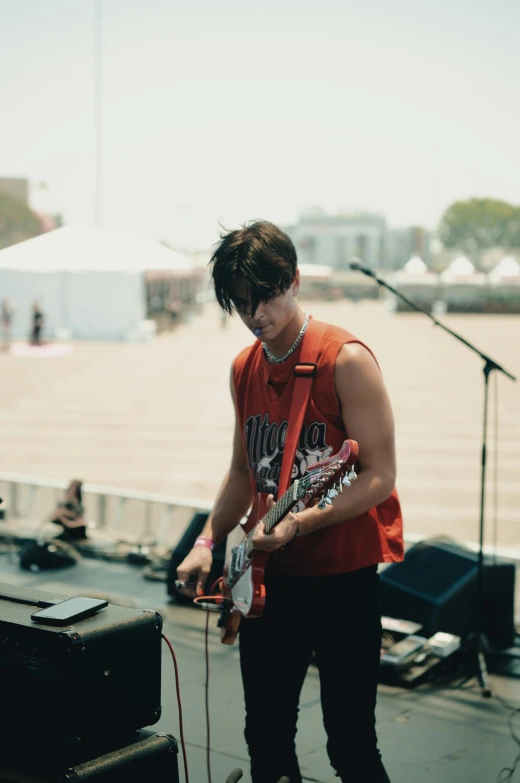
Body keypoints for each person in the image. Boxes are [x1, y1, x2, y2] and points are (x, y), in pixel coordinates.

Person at [176, 221, 404, 783]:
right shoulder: (244, 368)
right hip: (270, 580)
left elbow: (379, 475)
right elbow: (241, 474)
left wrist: (304, 523)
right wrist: (206, 542)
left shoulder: (345, 360)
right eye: (242, 303)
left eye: (267, 297)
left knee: (350, 743)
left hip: (343, 578)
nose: (257, 316)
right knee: (265, 737)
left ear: (295, 280)